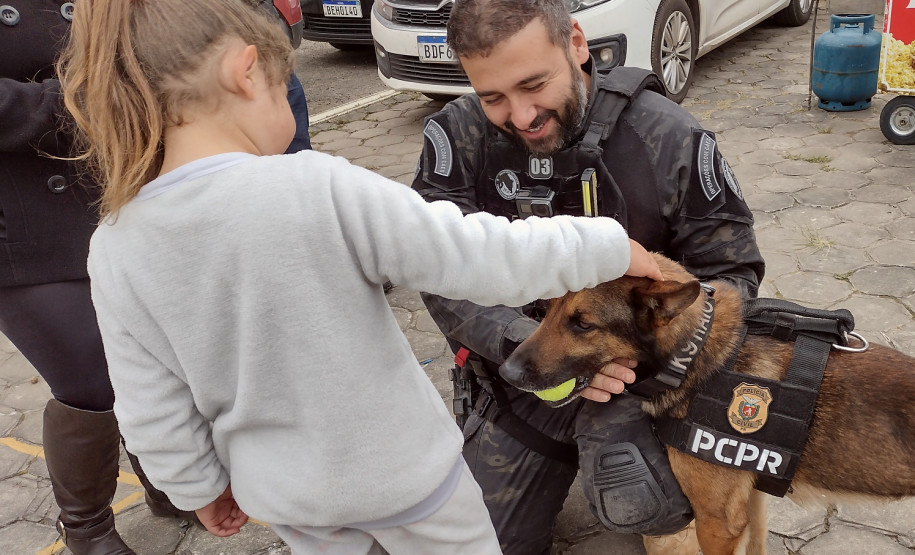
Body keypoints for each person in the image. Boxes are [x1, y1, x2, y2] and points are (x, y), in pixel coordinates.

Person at [57, 0, 664, 553]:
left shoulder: (114, 245)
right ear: (247, 73)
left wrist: (196, 486)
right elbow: (478, 254)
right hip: (410, 481)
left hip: (293, 502)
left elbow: (149, 404)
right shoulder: (317, 186)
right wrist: (608, 247)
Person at [410, 1, 766, 554]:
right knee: (481, 545)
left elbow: (732, 274)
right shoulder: (457, 138)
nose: (522, 115)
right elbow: (433, 271)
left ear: (576, 42)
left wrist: (653, 357)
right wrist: (515, 342)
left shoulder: (667, 135)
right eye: (493, 97)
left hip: (646, 386)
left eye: (534, 84)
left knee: (664, 513)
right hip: (521, 374)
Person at [0, 1, 312, 553]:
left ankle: (167, 484)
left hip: (111, 186)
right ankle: (87, 527)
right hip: (20, 223)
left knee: (152, 352)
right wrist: (79, 97)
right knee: (92, 382)